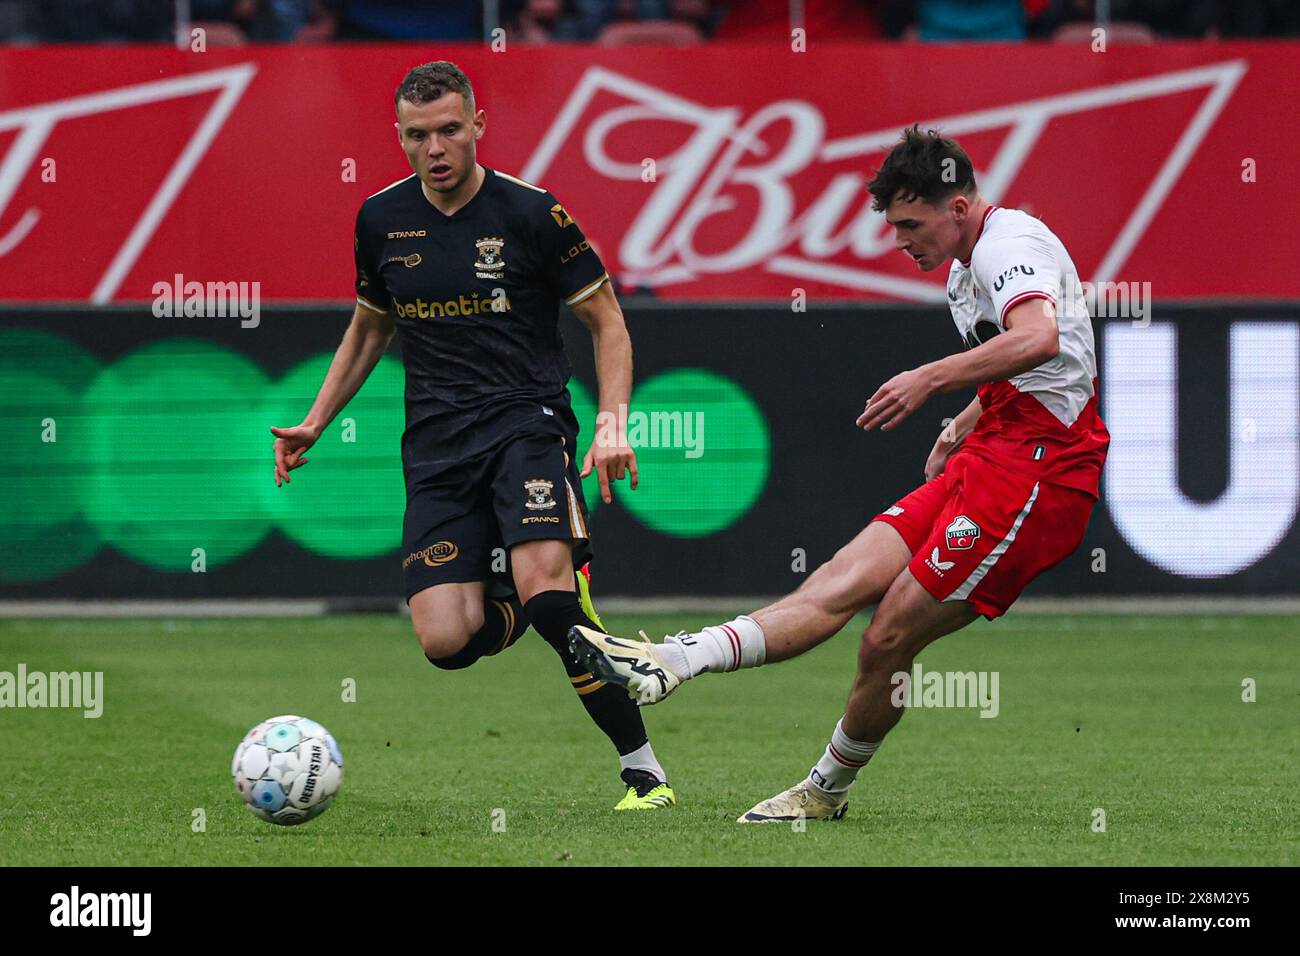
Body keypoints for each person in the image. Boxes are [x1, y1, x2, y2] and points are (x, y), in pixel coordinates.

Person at [571, 125, 1108, 822]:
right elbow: (1031, 364)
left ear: (958, 207)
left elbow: (1039, 337)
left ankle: (824, 791)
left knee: (887, 633)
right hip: (996, 451)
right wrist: (964, 422)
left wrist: (929, 380)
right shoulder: (961, 266)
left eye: (911, 224)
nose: (900, 240)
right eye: (893, 226)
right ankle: (678, 659)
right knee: (838, 580)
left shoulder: (1009, 243)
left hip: (1042, 475)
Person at [271, 60, 674, 811]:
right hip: (435, 448)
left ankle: (644, 772)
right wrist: (316, 420)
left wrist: (613, 423)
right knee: (445, 643)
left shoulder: (531, 213)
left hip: (527, 425)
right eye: (418, 135)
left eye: (450, 129)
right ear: (399, 136)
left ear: (478, 126)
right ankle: (528, 599)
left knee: (555, 600)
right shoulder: (379, 219)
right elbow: (370, 325)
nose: (435, 148)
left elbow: (607, 320)